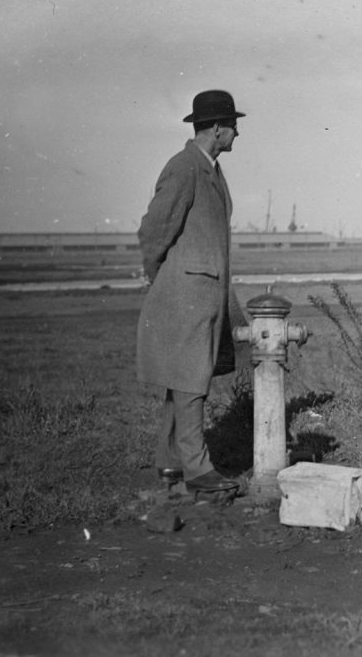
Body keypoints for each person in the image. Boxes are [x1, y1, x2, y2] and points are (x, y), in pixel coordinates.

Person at [136, 89, 249, 496]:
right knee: (191, 381)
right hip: (187, 293)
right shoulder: (184, 168)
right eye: (233, 125)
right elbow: (153, 232)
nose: (237, 133)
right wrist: (165, 279)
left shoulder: (210, 170)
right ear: (217, 129)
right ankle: (198, 471)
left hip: (203, 294)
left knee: (182, 377)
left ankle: (169, 463)